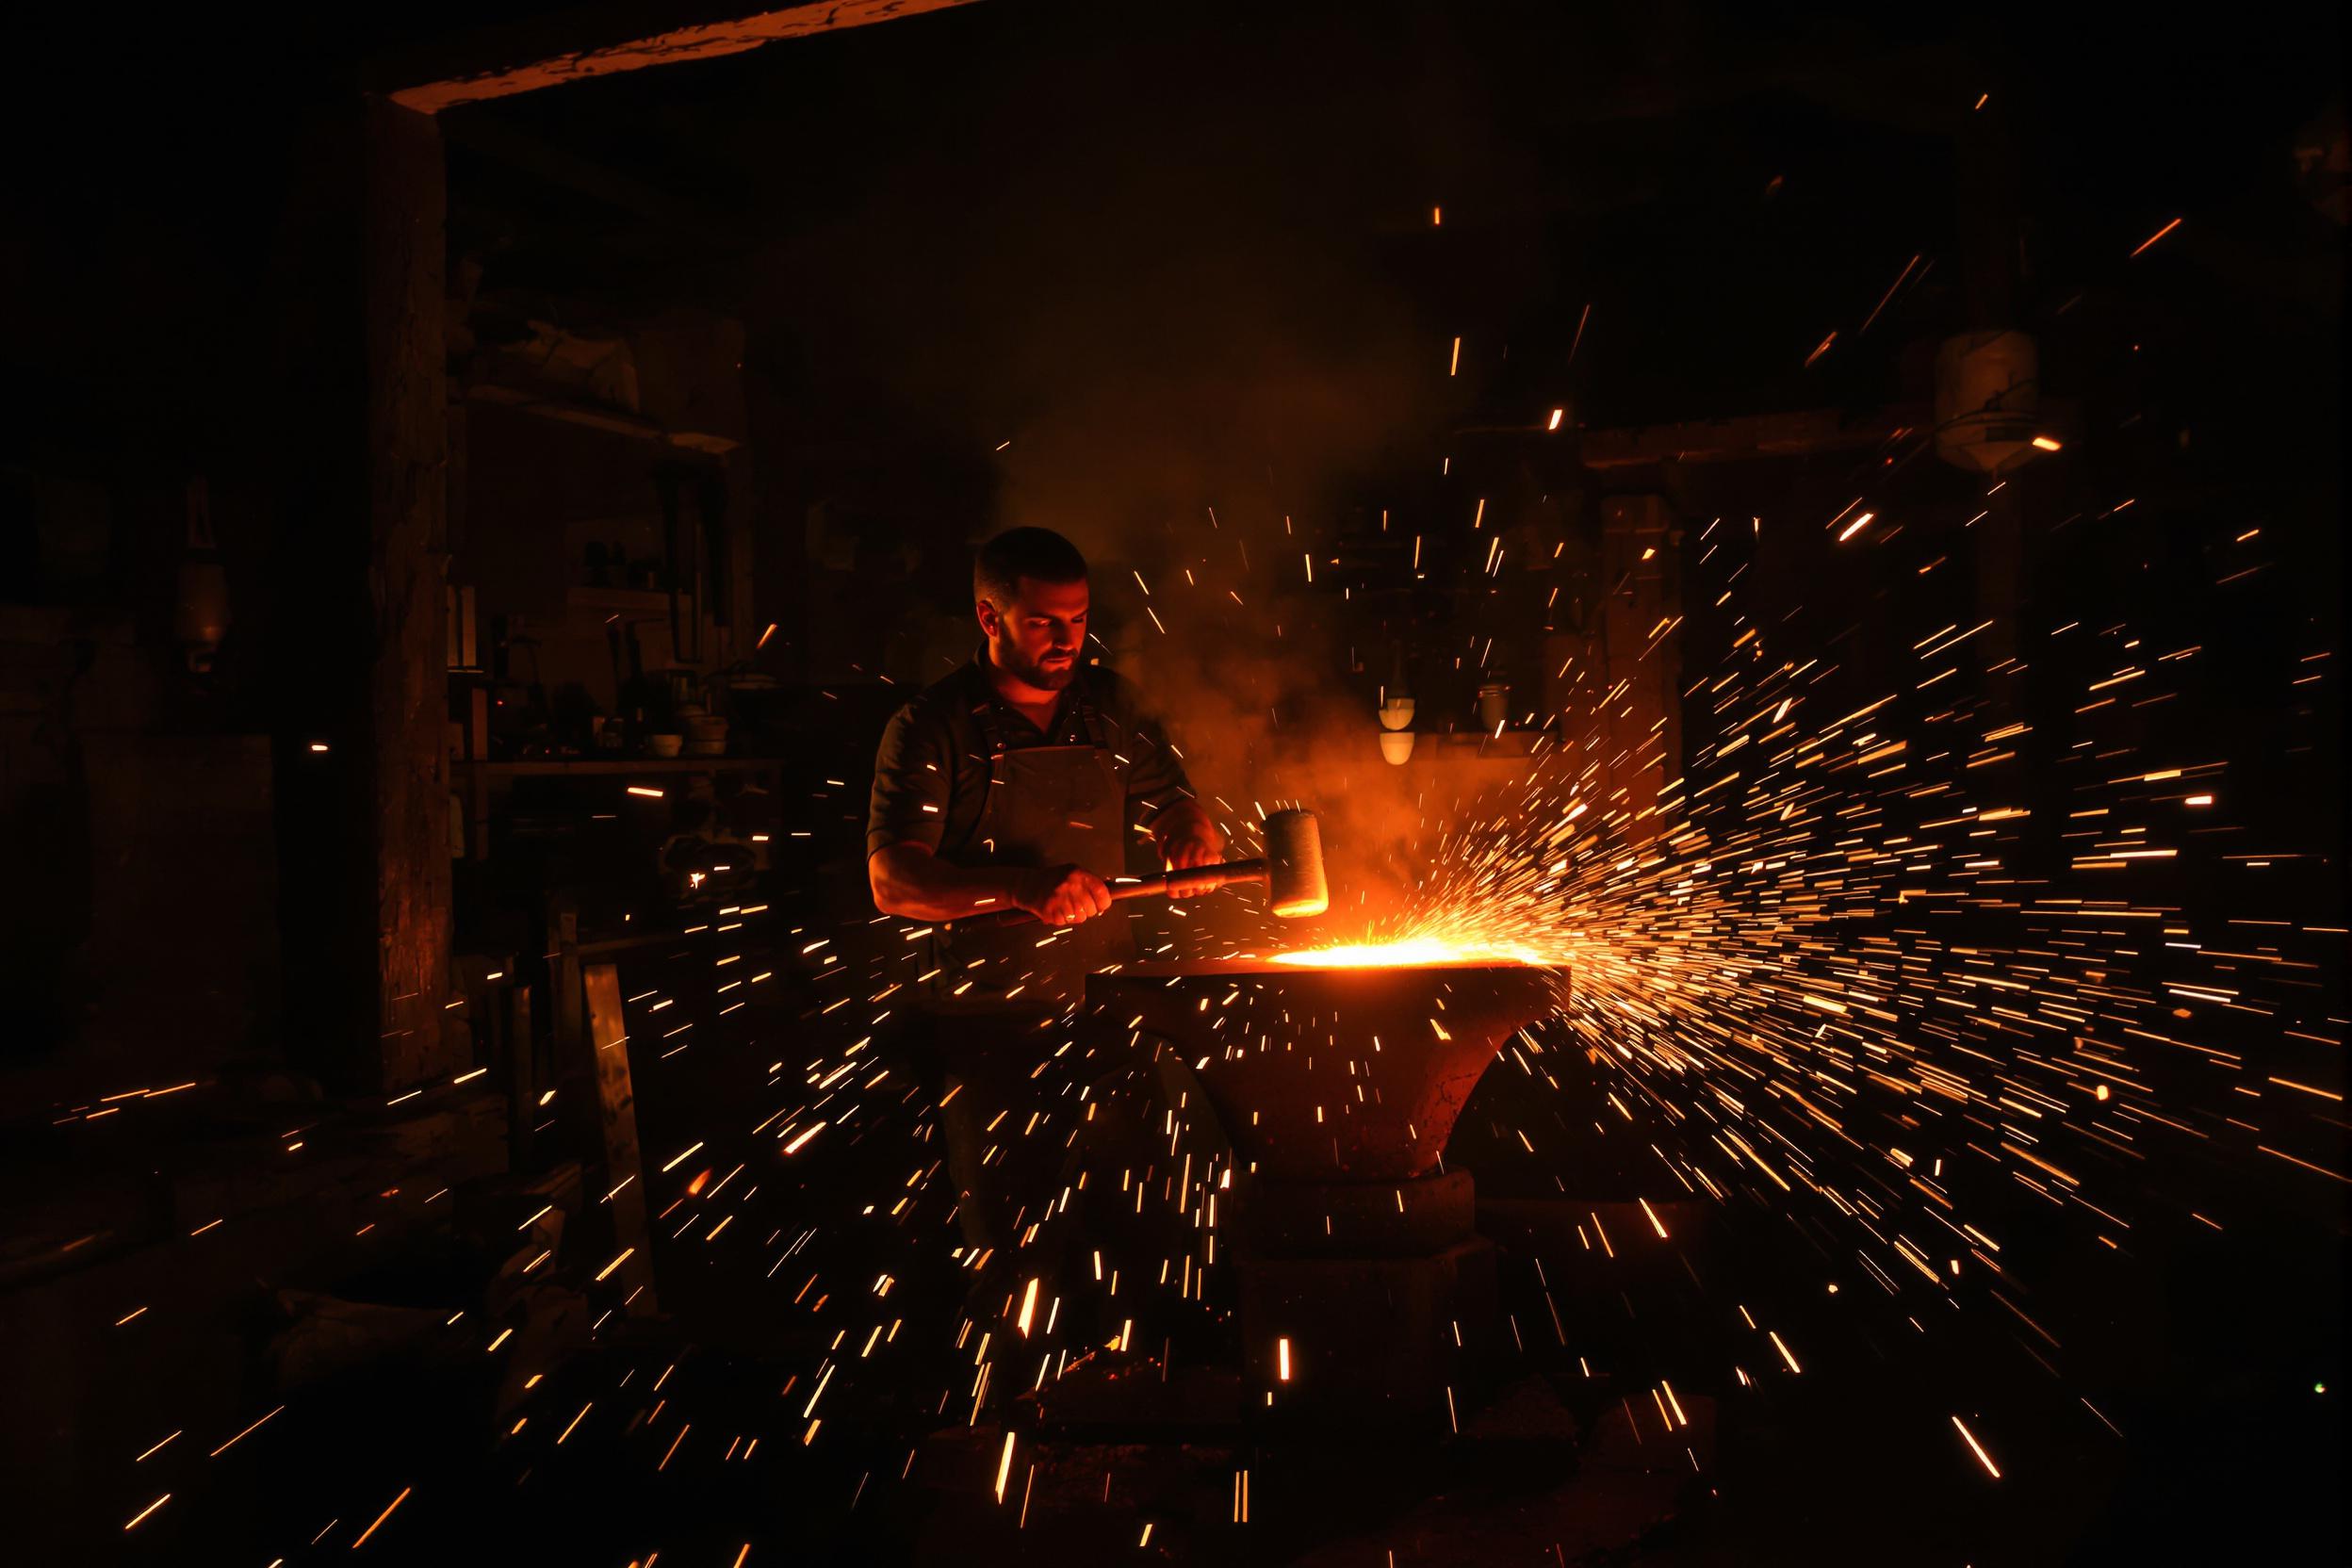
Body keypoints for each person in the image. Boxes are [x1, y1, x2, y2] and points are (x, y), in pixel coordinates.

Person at [866, 528, 1228, 1348]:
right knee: (1016, 1248)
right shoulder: (933, 726)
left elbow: (1172, 798)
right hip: (985, 1024)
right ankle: (1018, 1423)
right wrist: (1021, 887)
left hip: (1108, 1005)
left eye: (1079, 619)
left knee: (1138, 1226)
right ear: (989, 617)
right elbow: (893, 883)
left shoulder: (1111, 705)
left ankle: (1132, 1401)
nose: (1068, 641)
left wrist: (1187, 833)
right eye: (1044, 623)